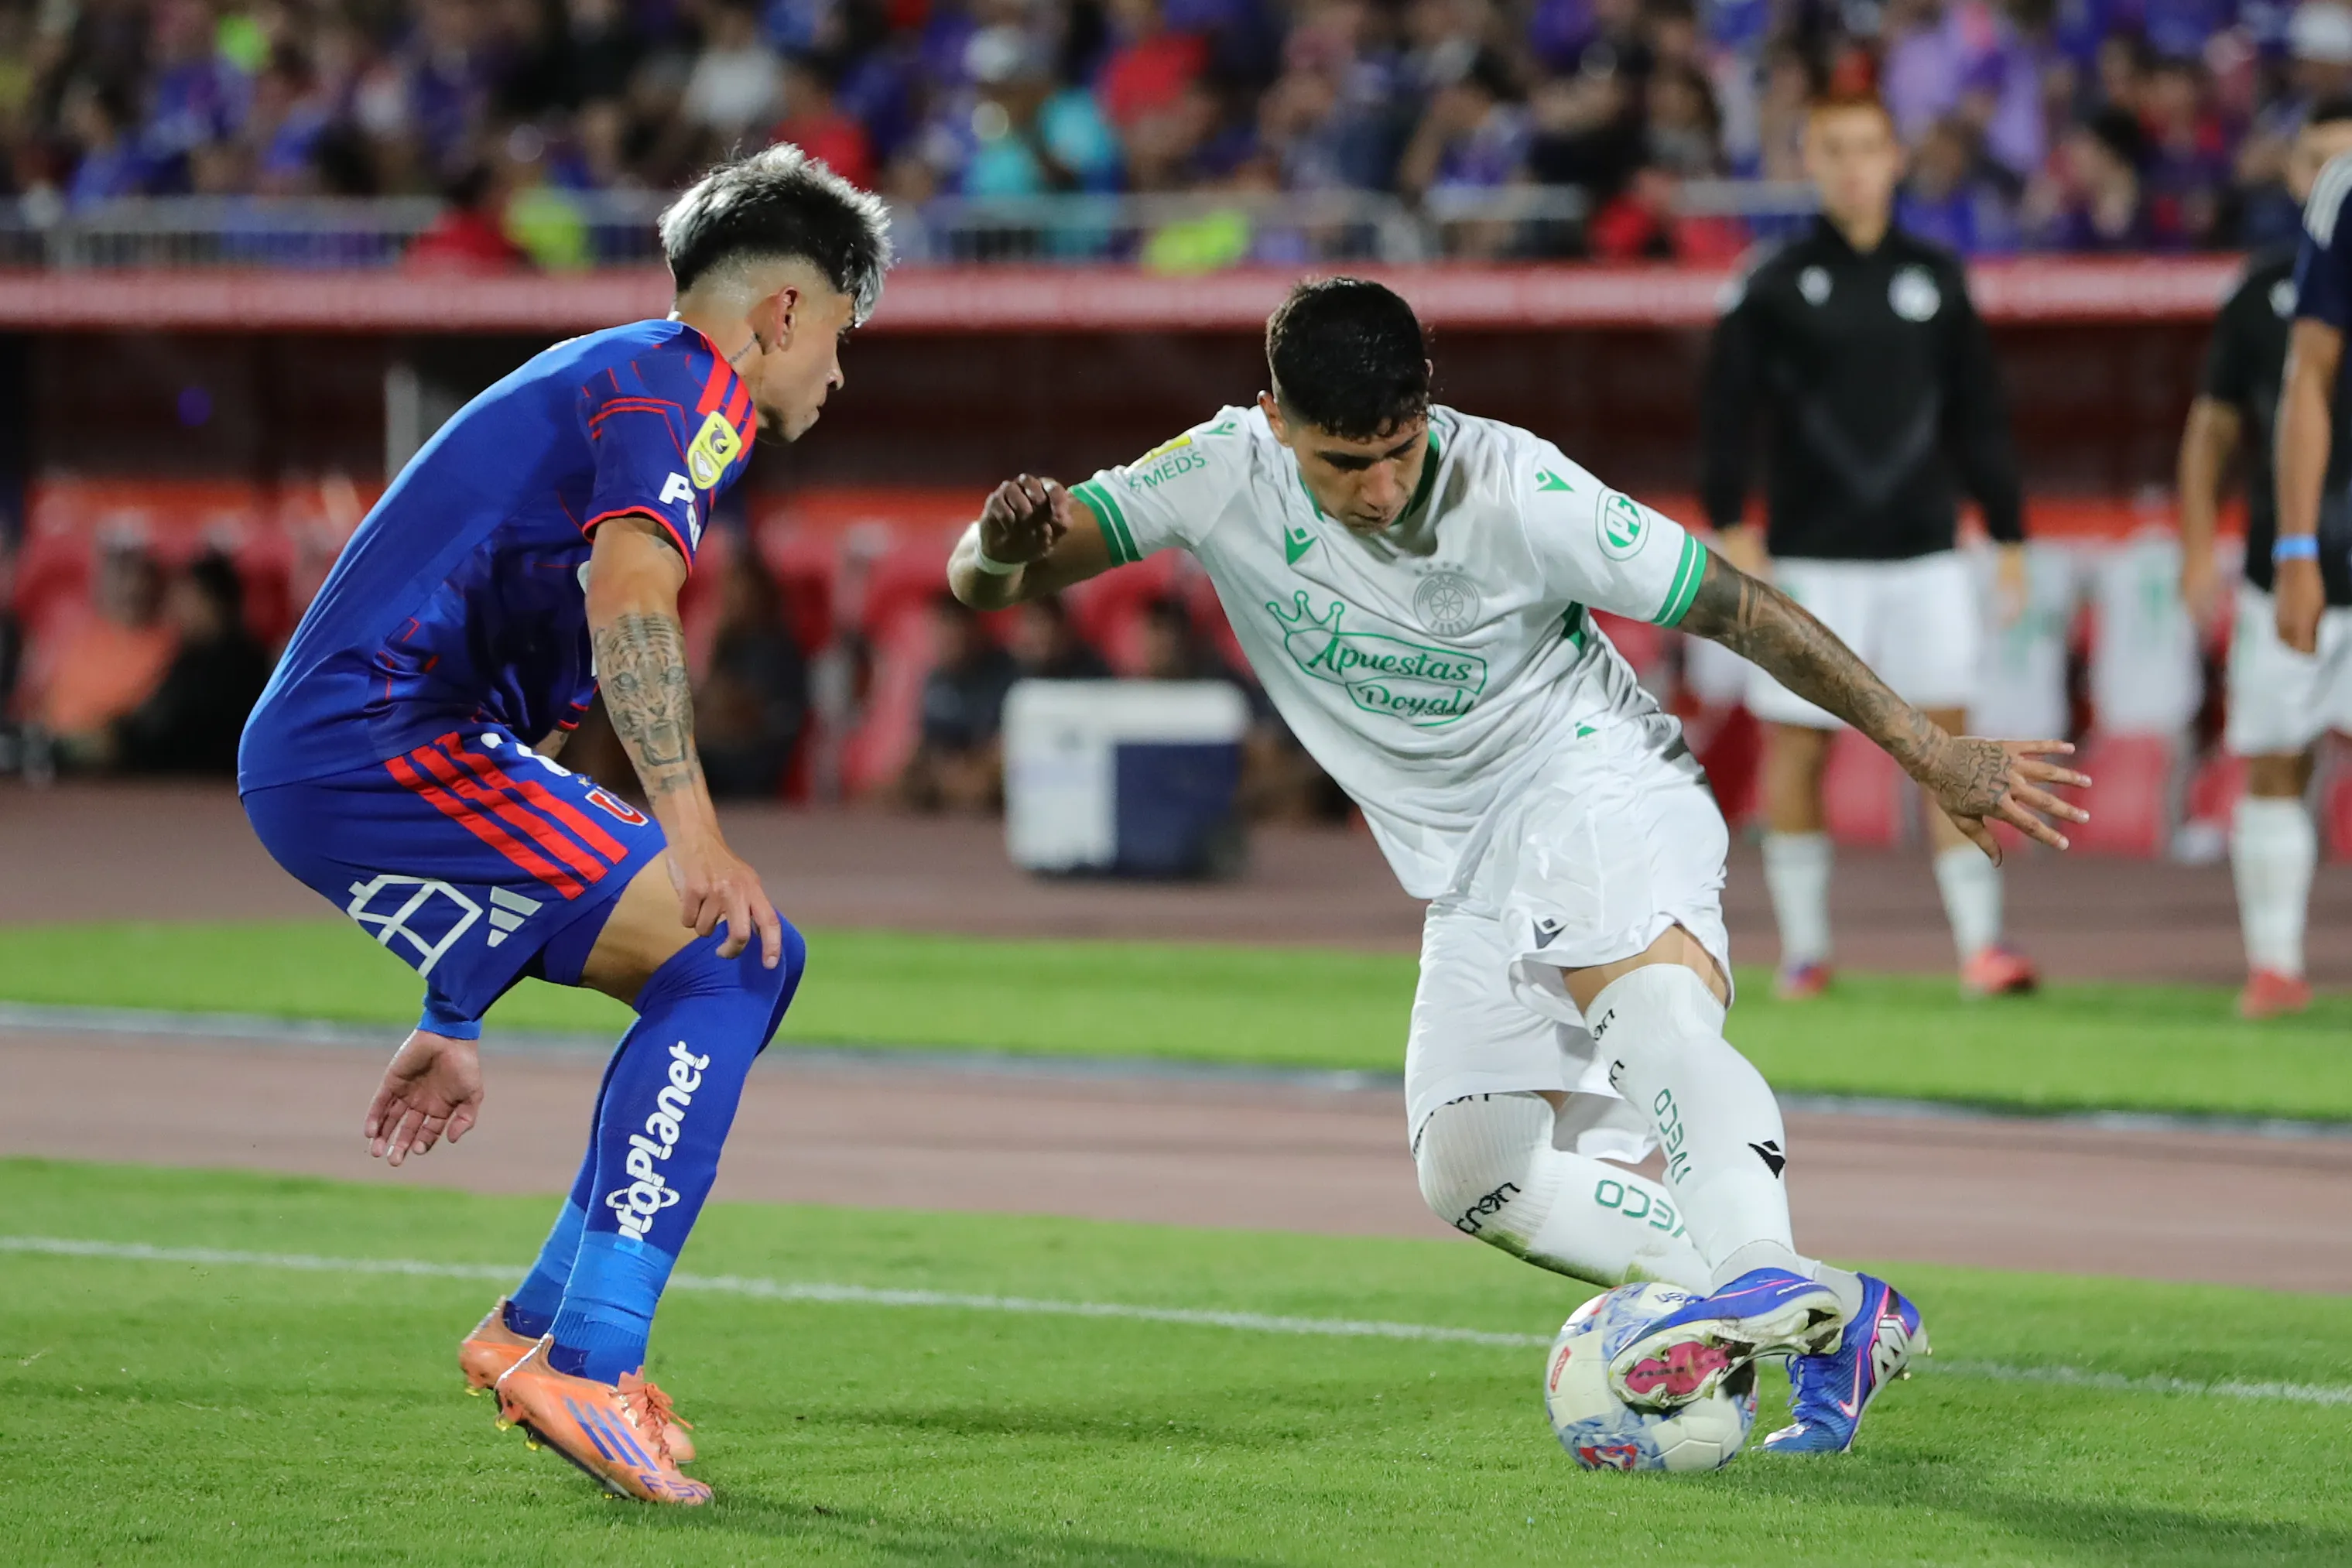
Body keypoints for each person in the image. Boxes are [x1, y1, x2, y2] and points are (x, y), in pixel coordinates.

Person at [946, 277, 2086, 1452]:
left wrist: (1926, 748)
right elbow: (984, 581)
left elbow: (1738, 611)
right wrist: (996, 544)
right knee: (1472, 1169)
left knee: (1648, 1017)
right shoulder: (1215, 470)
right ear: (1274, 418)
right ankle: (1829, 1309)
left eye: (1398, 449)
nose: (1382, 487)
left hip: (1593, 778)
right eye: (1345, 463)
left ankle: (1750, 1267)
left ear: (1426, 405)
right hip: (1472, 858)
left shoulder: (1522, 490)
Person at [237, 145, 890, 1505]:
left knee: (729, 965)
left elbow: (522, 754)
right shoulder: (685, 391)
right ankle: (586, 1358)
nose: (836, 372)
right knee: (738, 952)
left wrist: (455, 1003)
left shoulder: (619, 376)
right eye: (839, 332)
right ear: (778, 312)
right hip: (379, 744)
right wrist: (694, 830)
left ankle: (539, 1329)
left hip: (377, 750)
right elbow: (632, 605)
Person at [1700, 93, 2035, 1001]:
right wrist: (1732, 521)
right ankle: (1806, 952)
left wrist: (2007, 532)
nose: (1853, 165)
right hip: (1810, 556)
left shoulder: (1939, 276)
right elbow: (1726, 414)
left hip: (1927, 554)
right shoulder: (1770, 281)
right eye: (1835, 149)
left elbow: (1980, 418)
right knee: (1798, 752)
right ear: (1810, 159)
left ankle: (1981, 947)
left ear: (1896, 158)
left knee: (1950, 744)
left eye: (1869, 148)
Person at [2241, 99, 2352, 1018]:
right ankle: (2274, 963)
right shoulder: (2345, 192)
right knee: (2280, 753)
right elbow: (2304, 378)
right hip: (2338, 536)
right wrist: (2297, 544)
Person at [108, 551, 273, 775]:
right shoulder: (188, 658)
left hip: (205, 786)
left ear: (213, 603)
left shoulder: (240, 664)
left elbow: (176, 731)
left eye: (187, 600)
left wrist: (119, 741)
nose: (177, 611)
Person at [693, 548, 810, 799]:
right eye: (728, 590)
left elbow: (748, 712)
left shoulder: (774, 646)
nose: (732, 599)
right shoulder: (729, 642)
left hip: (758, 755)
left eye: (740, 589)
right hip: (719, 742)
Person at [898, 592, 1019, 813]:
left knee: (977, 787)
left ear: (971, 630)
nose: (945, 640)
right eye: (939, 632)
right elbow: (926, 745)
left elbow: (1005, 747)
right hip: (948, 773)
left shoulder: (1005, 675)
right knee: (895, 789)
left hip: (992, 770)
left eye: (952, 632)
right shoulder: (935, 680)